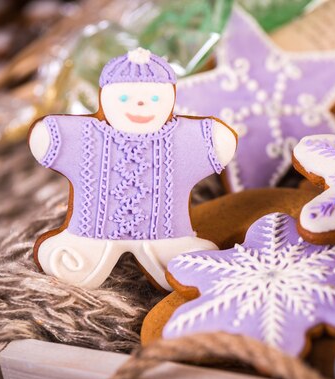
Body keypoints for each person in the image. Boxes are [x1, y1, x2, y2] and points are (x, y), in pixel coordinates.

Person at [28, 47, 237, 290]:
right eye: (125, 99)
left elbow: (219, 142)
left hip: (168, 237)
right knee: (70, 262)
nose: (140, 105)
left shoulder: (184, 139)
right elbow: (48, 138)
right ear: (105, 97)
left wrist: (218, 139)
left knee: (185, 265)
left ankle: (173, 257)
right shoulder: (85, 137)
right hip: (90, 236)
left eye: (155, 99)